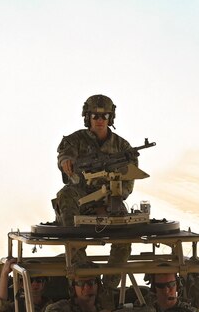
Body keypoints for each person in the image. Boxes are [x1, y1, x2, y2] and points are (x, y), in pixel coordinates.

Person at [52, 94, 140, 226]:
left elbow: (129, 179)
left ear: (110, 118)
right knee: (66, 195)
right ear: (88, 117)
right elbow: (65, 155)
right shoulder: (75, 140)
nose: (100, 120)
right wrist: (65, 161)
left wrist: (112, 198)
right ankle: (74, 243)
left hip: (109, 197)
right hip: (79, 195)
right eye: (95, 116)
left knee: (123, 223)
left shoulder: (122, 146)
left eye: (105, 116)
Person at [41, 264, 116, 312]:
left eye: (91, 282)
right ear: (73, 288)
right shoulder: (63, 307)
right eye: (81, 283)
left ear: (98, 285)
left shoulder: (106, 307)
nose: (87, 287)